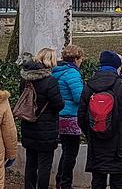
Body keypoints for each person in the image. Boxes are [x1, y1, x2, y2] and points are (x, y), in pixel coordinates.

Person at [79, 51, 122, 189]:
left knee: (97, 180)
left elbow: (81, 117)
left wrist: (91, 132)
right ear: (117, 67)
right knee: (118, 182)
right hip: (119, 145)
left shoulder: (89, 86)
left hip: (96, 142)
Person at [20, 48, 65, 189]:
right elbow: (59, 105)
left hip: (28, 125)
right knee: (44, 165)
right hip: (46, 130)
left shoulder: (25, 79)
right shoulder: (50, 81)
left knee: (31, 163)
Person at [53, 44, 86, 189]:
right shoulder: (72, 73)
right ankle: (65, 183)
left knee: (66, 150)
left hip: (59, 115)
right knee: (71, 153)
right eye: (81, 58)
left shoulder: (57, 71)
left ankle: (61, 179)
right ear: (76, 58)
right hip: (71, 116)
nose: (82, 61)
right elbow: (79, 96)